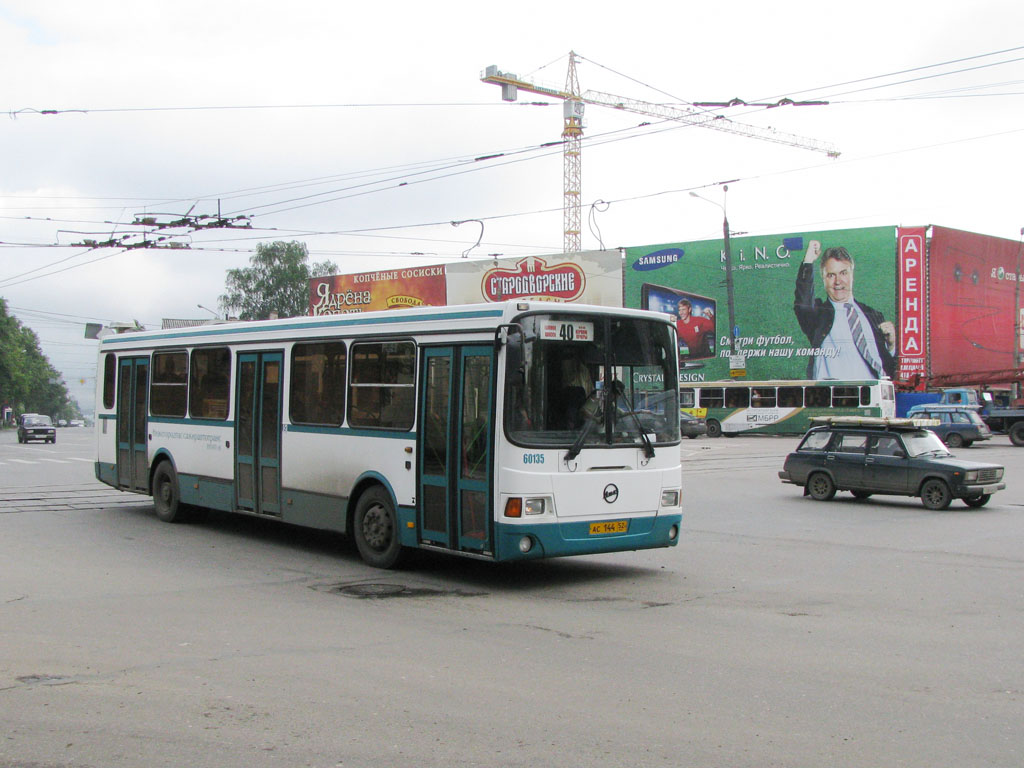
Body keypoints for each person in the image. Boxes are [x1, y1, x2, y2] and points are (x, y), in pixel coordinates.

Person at [794, 240, 896, 380]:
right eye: (831, 275)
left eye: (843, 273)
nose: (838, 281)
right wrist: (808, 261)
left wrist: (891, 346)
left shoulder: (873, 315)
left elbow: (887, 367)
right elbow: (803, 304)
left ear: (852, 274)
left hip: (872, 396)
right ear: (823, 279)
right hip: (833, 396)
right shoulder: (819, 315)